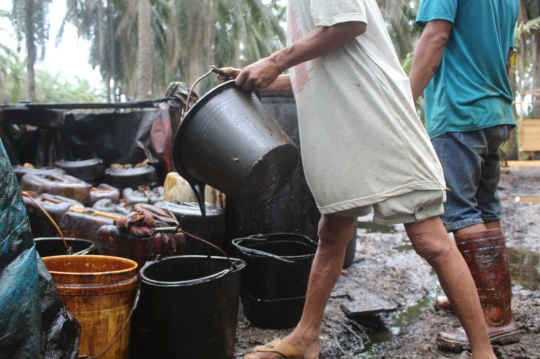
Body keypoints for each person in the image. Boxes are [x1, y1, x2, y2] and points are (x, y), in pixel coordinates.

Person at [220, 0, 497, 358]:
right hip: (346, 125)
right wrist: (265, 80)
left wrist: (273, 61)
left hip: (380, 117)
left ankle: (483, 351)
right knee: (332, 231)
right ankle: (306, 337)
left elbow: (349, 24)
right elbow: (321, 72)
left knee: (430, 240)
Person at [408, 0, 521, 351]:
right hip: (496, 111)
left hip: (458, 112)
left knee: (460, 213)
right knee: (486, 211)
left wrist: (404, 100)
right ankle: (492, 305)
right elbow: (504, 54)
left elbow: (435, 36)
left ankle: (492, 319)